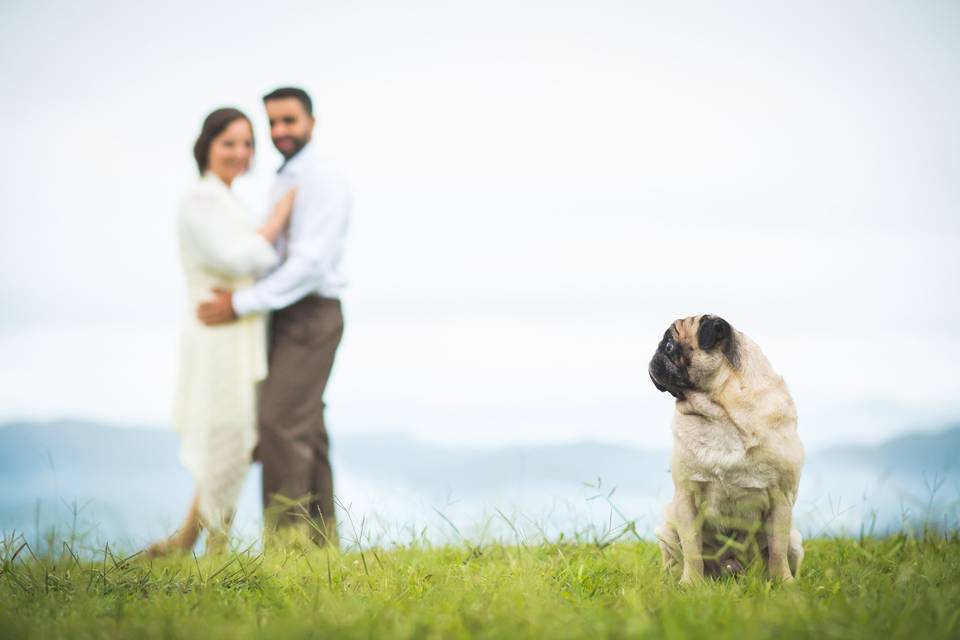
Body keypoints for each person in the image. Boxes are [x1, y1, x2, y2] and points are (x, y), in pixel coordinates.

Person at [197, 87, 350, 546]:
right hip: (286, 315)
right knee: (306, 427)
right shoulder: (285, 177)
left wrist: (240, 304)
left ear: (311, 122)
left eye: (290, 121)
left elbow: (310, 265)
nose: (280, 131)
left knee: (279, 424)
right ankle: (321, 545)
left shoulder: (323, 178)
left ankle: (284, 545)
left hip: (311, 314)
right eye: (274, 123)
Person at [147, 108, 297, 556]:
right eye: (228, 143)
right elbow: (235, 260)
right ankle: (210, 545)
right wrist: (276, 223)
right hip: (216, 335)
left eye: (247, 143)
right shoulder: (200, 199)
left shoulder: (232, 201)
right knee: (226, 435)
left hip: (241, 334)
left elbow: (260, 259)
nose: (239, 152)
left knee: (236, 438)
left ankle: (192, 540)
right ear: (207, 146)